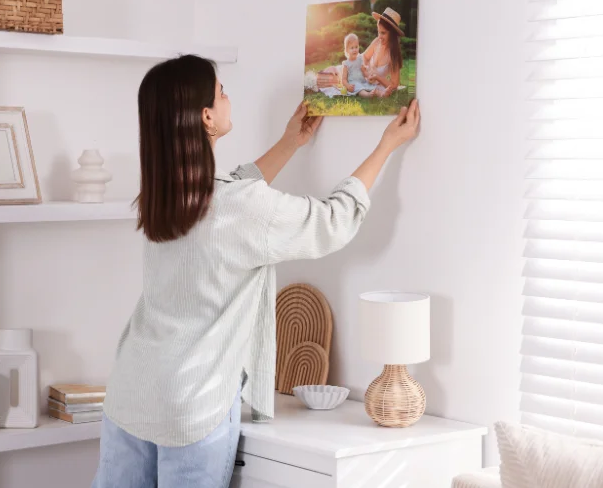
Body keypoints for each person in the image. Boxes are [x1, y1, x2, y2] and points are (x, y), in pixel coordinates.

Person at [92, 54, 420, 488]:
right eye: (221, 92)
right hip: (192, 404)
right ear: (206, 116)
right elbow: (332, 220)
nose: (228, 98)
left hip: (131, 392)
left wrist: (289, 143)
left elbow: (234, 191)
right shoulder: (238, 207)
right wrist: (385, 146)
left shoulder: (161, 197)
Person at [361, 7, 406, 97]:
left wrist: (377, 77)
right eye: (378, 32)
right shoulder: (376, 42)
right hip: (362, 76)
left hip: (375, 85)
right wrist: (366, 71)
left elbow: (394, 85)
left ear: (392, 34)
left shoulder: (393, 55)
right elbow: (364, 57)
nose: (379, 37)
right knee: (340, 72)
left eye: (383, 33)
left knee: (379, 90)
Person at [340, 33, 376, 98]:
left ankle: (381, 93)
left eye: (356, 47)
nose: (355, 50)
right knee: (360, 89)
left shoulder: (360, 58)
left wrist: (368, 76)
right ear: (347, 50)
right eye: (352, 48)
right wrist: (348, 86)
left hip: (362, 81)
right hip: (354, 84)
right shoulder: (346, 64)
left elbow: (364, 71)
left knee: (371, 86)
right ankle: (367, 95)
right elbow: (343, 79)